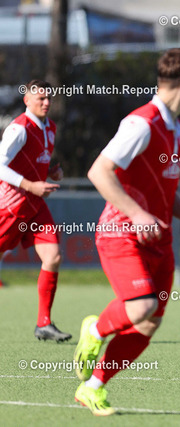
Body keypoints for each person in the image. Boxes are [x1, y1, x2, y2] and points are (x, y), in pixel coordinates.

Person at [73, 48, 180, 416]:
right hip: (121, 231)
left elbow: (165, 192)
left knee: (150, 322)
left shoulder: (177, 130)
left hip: (159, 239)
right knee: (142, 306)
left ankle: (92, 388)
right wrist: (136, 214)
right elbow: (99, 172)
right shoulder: (142, 123)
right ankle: (96, 330)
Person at [0, 79, 71, 342]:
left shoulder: (49, 127)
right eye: (40, 98)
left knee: (53, 256)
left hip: (35, 206)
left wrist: (51, 171)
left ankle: (44, 324)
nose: (46, 102)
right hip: (11, 205)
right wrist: (31, 184)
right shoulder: (19, 128)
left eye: (49, 98)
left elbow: (33, 160)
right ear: (26, 100)